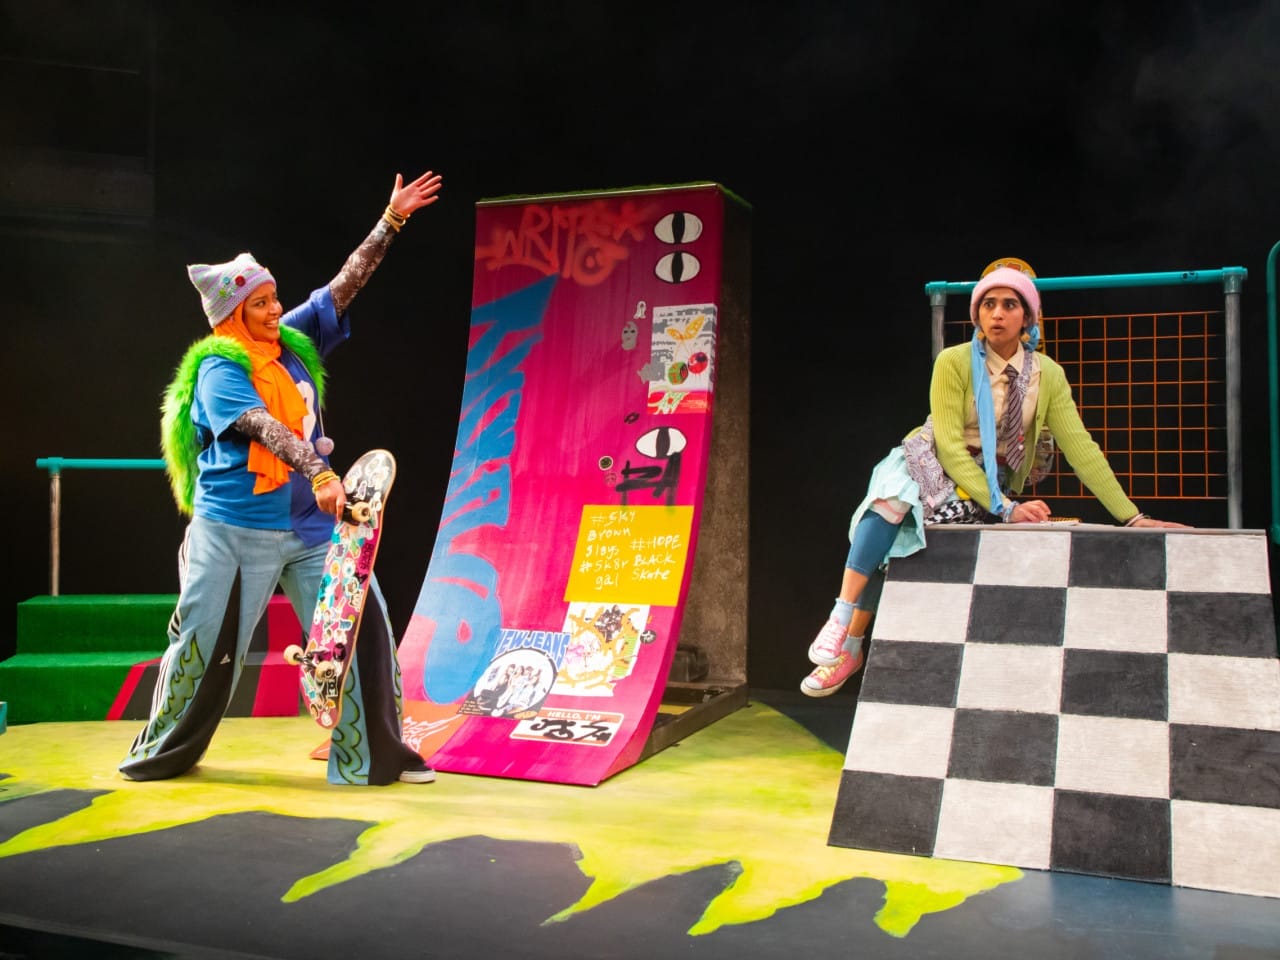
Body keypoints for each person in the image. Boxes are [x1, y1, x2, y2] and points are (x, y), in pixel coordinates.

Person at [120, 170, 443, 784]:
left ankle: (374, 759)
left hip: (310, 530)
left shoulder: (288, 342)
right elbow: (262, 426)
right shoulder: (217, 368)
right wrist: (320, 472)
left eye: (273, 299)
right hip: (233, 532)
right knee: (204, 649)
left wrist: (391, 220)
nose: (274, 311)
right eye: (260, 304)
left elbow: (342, 287)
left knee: (360, 629)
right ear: (232, 314)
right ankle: (159, 753)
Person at [801, 262, 1187, 697]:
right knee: (891, 499)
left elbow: (1080, 447)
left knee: (901, 538)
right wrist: (1005, 508)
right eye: (988, 304)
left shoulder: (1047, 374)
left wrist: (1132, 516)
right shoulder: (954, 362)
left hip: (988, 478)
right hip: (932, 459)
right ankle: (840, 619)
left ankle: (851, 648)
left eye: (1009, 304)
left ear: (1027, 316)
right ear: (977, 314)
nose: (997, 313)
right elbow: (949, 446)